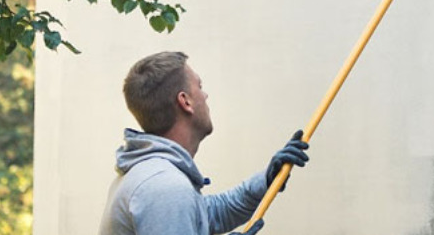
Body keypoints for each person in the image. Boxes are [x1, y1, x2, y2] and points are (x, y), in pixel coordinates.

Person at [99, 51, 309, 235]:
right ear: (185, 101)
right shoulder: (164, 187)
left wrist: (266, 180)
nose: (205, 95)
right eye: (199, 86)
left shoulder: (154, 177)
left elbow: (208, 214)